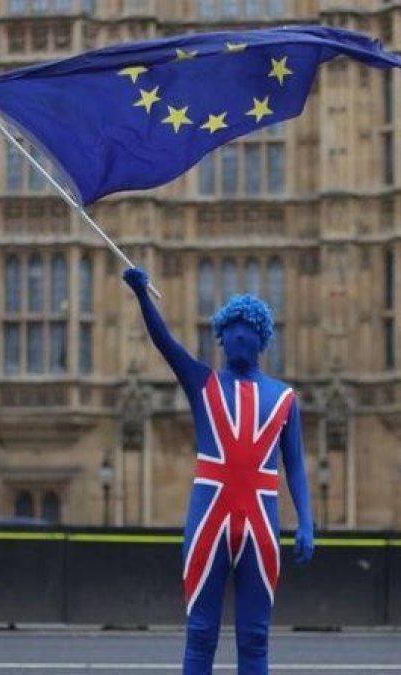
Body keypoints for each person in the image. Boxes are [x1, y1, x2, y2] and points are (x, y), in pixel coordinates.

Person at [124, 266, 314, 675]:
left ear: (263, 339)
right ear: (220, 337)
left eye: (249, 328)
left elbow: (295, 465)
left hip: (261, 525)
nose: (242, 334)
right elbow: (166, 344)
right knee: (201, 633)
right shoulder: (202, 382)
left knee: (255, 638)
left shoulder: (284, 398)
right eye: (233, 327)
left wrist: (306, 522)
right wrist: (142, 296)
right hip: (209, 519)